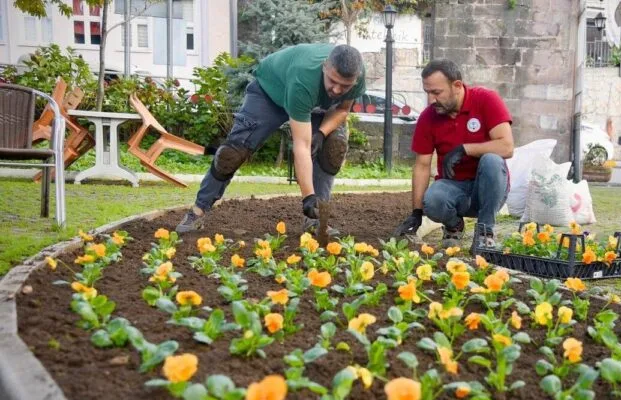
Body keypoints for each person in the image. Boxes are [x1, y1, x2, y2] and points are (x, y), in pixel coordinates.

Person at [175, 43, 366, 235]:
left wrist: (322, 133)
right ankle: (198, 211)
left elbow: (342, 109)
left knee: (333, 147)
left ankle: (316, 221)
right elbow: (301, 145)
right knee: (232, 154)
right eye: (333, 81)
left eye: (345, 85)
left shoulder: (358, 76)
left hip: (312, 103)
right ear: (325, 66)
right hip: (270, 92)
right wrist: (308, 196)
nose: (337, 90)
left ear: (355, 79)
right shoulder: (304, 77)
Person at [394, 59, 514, 248]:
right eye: (427, 93)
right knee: (432, 200)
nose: (431, 100)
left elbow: (507, 147)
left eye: (436, 92)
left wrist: (466, 149)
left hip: (488, 189)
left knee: (492, 160)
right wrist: (416, 212)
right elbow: (422, 165)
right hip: (454, 188)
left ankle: (485, 232)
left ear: (457, 86)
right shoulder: (428, 117)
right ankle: (454, 226)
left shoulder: (486, 100)